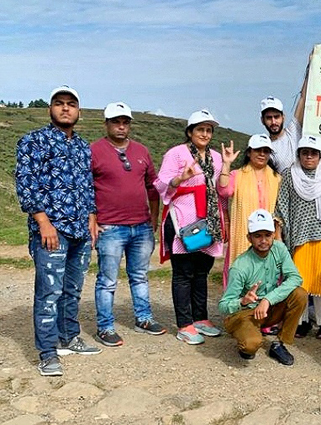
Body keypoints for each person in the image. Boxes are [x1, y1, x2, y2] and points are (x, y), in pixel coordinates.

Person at [15, 85, 102, 376]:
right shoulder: (33, 141)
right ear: (50, 109)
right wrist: (43, 222)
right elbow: (26, 185)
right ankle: (48, 352)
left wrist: (92, 216)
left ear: (78, 111)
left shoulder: (82, 146)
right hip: (51, 230)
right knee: (49, 292)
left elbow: (87, 185)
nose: (65, 108)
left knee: (72, 289)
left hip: (80, 229)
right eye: (59, 103)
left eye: (71, 104)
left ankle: (69, 337)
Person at [91, 102, 166, 347]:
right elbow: (85, 190)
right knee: (107, 280)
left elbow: (153, 187)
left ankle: (143, 318)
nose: (121, 126)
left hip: (141, 226)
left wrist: (153, 217)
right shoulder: (94, 150)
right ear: (107, 124)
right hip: (110, 227)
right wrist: (92, 219)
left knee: (140, 276)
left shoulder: (142, 151)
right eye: (116, 121)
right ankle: (105, 326)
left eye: (125, 122)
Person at [155, 109, 227, 345]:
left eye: (209, 130)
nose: (205, 134)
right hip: (183, 218)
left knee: (201, 272)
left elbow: (221, 188)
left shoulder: (216, 157)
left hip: (210, 220)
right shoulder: (176, 154)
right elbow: (161, 183)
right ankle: (184, 323)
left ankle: (200, 317)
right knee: (184, 272)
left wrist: (227, 166)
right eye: (200, 129)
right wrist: (180, 179)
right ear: (190, 131)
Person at [218, 209, 307, 364]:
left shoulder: (279, 249)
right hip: (246, 313)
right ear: (249, 238)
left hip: (268, 308)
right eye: (258, 236)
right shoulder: (240, 266)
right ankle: (248, 336)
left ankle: (280, 343)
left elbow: (295, 278)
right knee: (251, 345)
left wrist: (267, 299)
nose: (263, 240)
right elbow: (223, 305)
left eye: (267, 235)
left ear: (273, 235)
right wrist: (242, 301)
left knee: (300, 294)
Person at [275, 135, 321, 339]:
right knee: (299, 281)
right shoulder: (289, 175)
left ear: (320, 156)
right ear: (299, 155)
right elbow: (282, 205)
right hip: (299, 236)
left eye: (313, 153)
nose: (309, 156)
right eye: (305, 153)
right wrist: (280, 233)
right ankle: (300, 322)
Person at [218, 133, 281, 287]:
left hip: (268, 236)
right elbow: (224, 191)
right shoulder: (237, 175)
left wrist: (278, 236)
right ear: (249, 152)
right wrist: (226, 164)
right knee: (241, 273)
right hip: (244, 236)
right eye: (257, 150)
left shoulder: (277, 179)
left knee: (269, 276)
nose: (261, 154)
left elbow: (279, 212)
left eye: (265, 151)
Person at [260, 95, 304, 173]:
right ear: (262, 120)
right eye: (269, 118)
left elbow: (303, 98)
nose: (273, 122)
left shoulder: (294, 130)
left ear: (283, 117)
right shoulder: (265, 149)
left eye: (276, 117)